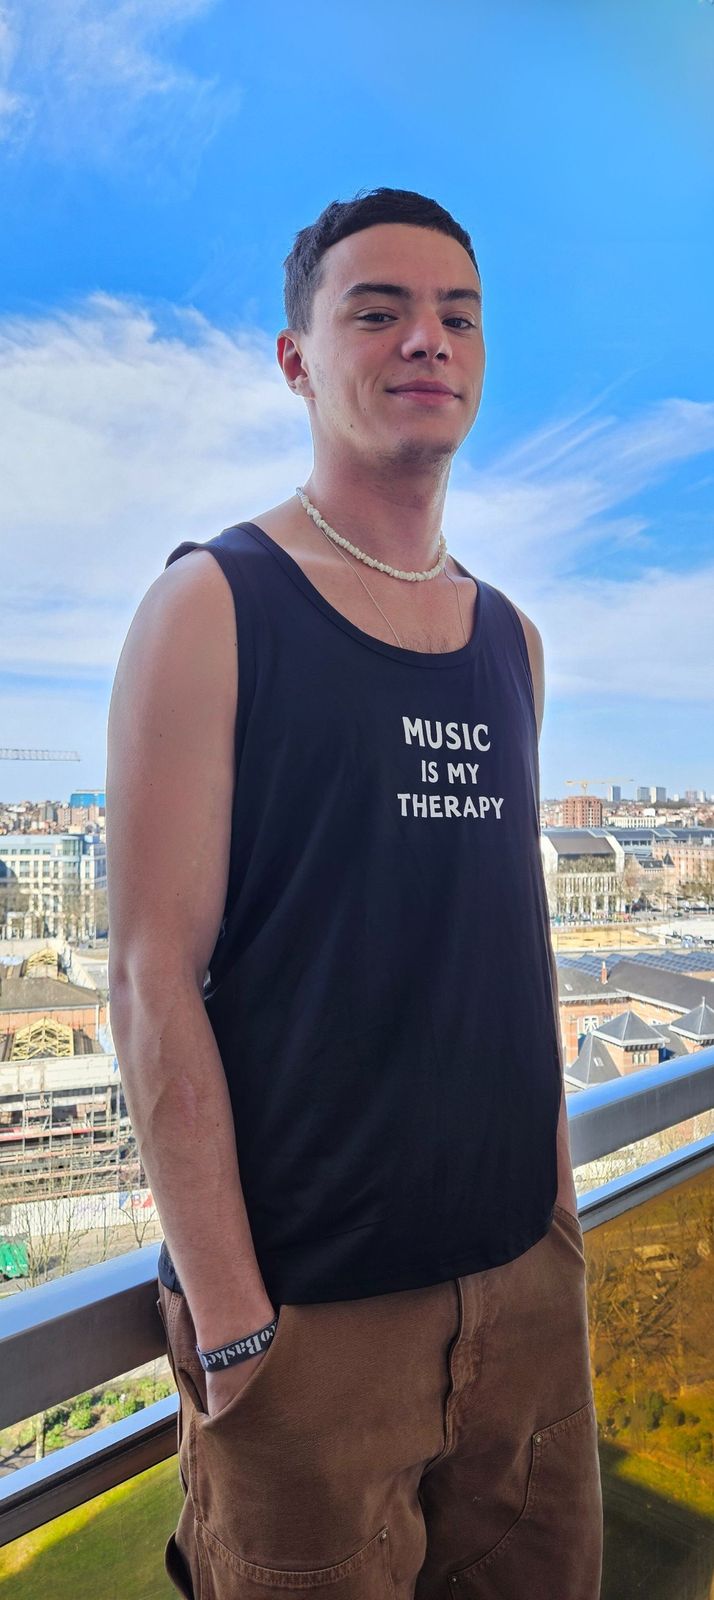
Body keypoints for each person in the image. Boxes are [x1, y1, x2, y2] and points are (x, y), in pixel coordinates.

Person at [106, 187, 603, 1600]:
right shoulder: (215, 604)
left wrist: (556, 1226)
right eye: (375, 311)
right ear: (297, 359)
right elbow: (149, 976)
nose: (425, 340)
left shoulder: (511, 639)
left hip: (523, 1289)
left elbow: (507, 949)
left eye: (457, 316)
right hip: (308, 1321)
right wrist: (236, 1326)